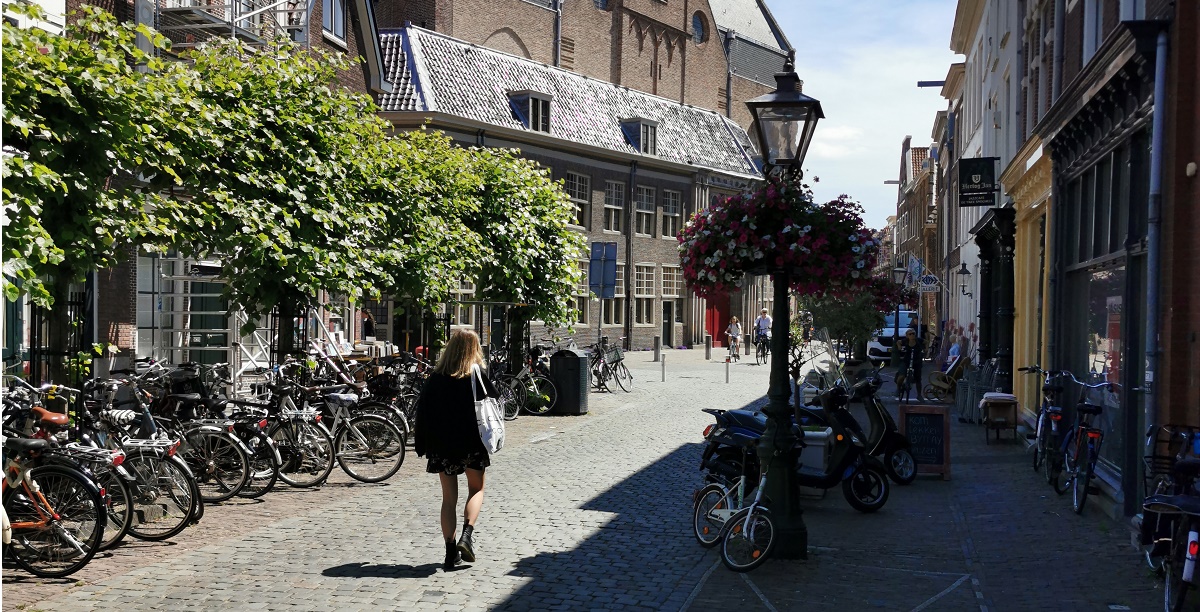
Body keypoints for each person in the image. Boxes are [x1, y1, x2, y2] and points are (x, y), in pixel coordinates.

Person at [415, 329, 496, 571]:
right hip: (472, 441)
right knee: (476, 489)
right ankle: (466, 536)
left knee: (448, 499)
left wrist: (422, 444)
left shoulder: (435, 378)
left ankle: (450, 553)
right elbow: (494, 401)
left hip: (443, 444)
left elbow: (422, 412)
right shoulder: (477, 376)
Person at [898, 327, 925, 403]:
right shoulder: (905, 341)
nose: (912, 335)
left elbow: (926, 342)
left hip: (916, 361)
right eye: (910, 334)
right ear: (907, 336)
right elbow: (898, 342)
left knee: (918, 379)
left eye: (913, 334)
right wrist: (899, 347)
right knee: (901, 376)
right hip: (906, 361)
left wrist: (926, 349)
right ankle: (898, 389)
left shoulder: (918, 340)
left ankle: (919, 395)